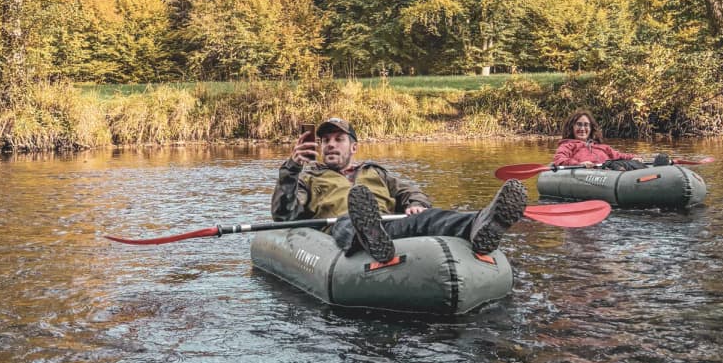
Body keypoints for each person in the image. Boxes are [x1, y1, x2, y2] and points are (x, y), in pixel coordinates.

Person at [272, 116, 527, 265]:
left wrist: (415, 204)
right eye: (325, 140)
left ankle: (481, 224)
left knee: (428, 216)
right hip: (344, 226)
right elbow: (285, 215)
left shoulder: (376, 172)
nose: (330, 145)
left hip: (388, 224)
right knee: (348, 221)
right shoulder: (309, 176)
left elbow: (410, 191)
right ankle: (369, 235)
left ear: (353, 147)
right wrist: (292, 167)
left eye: (339, 140)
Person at [552, 110, 671, 170]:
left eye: (586, 125)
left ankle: (658, 170)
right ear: (571, 127)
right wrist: (579, 164)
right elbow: (560, 159)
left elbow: (618, 155)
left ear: (591, 128)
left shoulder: (602, 147)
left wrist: (633, 157)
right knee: (614, 164)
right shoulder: (567, 145)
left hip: (611, 168)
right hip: (594, 173)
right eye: (579, 125)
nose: (582, 128)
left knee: (625, 162)